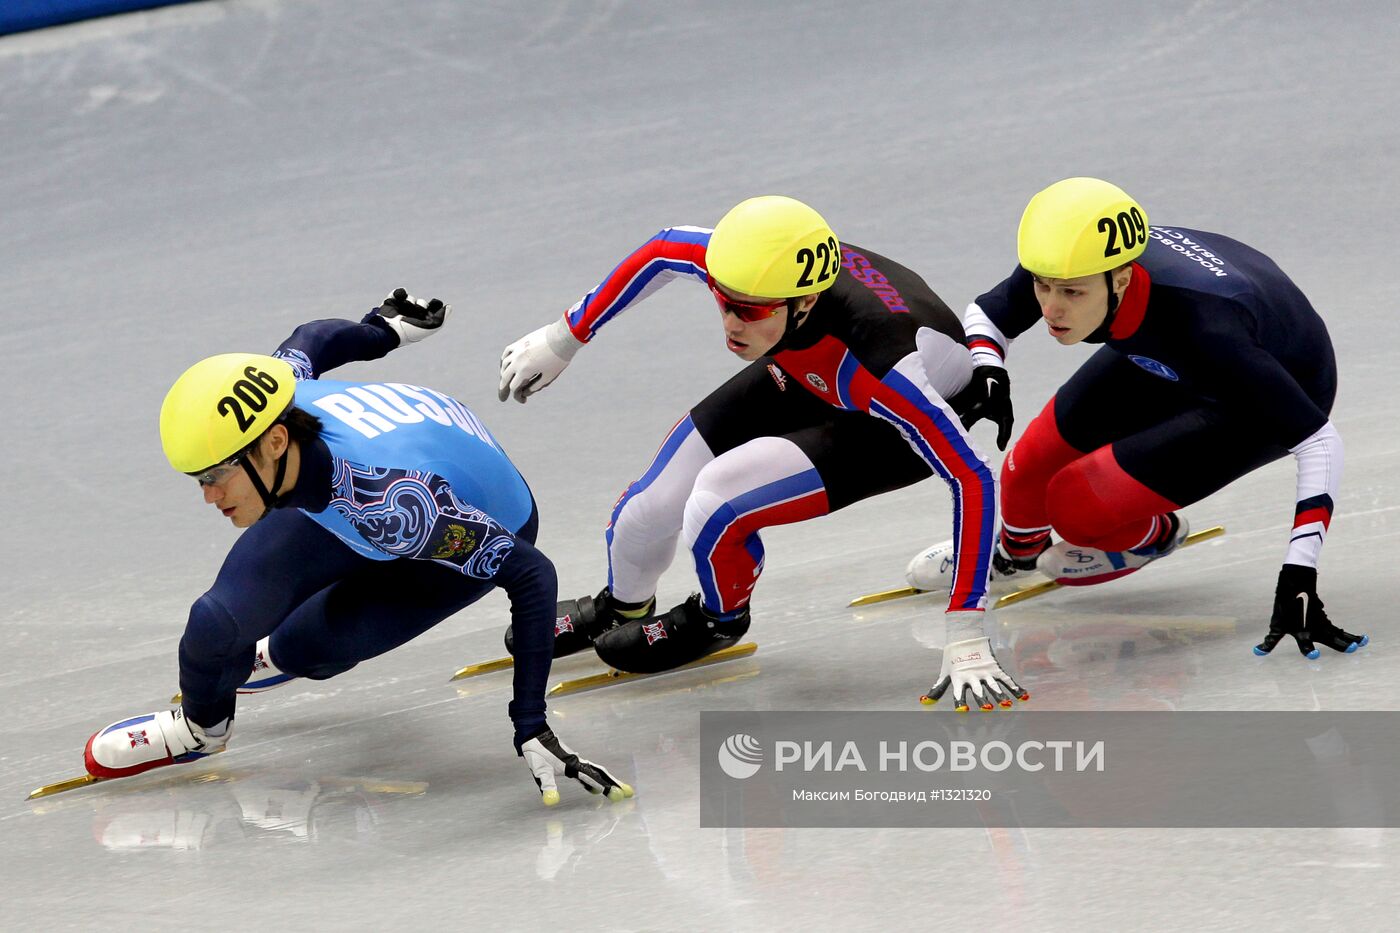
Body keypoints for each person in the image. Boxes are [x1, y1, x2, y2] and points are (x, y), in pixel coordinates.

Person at [84, 291, 633, 806]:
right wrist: (383, 329)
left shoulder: (395, 505)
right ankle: (202, 730)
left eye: (218, 474)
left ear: (275, 441)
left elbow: (532, 575)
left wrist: (531, 724)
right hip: (389, 463)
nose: (209, 496)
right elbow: (313, 338)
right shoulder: (280, 392)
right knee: (216, 624)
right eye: (196, 479)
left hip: (462, 511)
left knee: (307, 649)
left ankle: (281, 655)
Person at [497, 195, 1025, 711]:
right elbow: (659, 250)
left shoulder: (885, 361)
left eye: (748, 310)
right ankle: (622, 606)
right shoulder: (749, 262)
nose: (730, 322)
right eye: (723, 300)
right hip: (804, 370)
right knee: (647, 509)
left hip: (881, 423)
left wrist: (964, 630)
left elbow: (973, 476)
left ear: (807, 302)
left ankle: (717, 620)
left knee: (716, 501)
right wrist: (565, 336)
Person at [907, 177, 1367, 660]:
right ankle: (1016, 556)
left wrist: (1299, 573)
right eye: (1042, 287)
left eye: (1071, 294)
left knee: (1075, 506)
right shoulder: (1075, 261)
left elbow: (1321, 444)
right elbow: (987, 312)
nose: (1050, 309)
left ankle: (1156, 534)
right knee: (1025, 470)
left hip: (1255, 392)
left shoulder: (1206, 325)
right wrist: (990, 371)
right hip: (1166, 352)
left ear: (1121, 279)